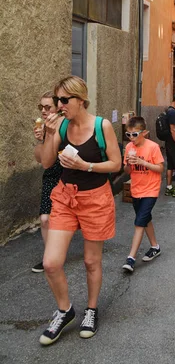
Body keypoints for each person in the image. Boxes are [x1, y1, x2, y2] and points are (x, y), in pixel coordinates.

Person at [39, 76, 121, 345]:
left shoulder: (102, 126)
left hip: (95, 199)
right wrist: (51, 133)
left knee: (90, 261)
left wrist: (84, 165)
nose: (59, 105)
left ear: (80, 100)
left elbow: (115, 164)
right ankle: (65, 310)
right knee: (51, 263)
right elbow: (47, 162)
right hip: (65, 197)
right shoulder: (61, 125)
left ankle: (91, 310)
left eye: (64, 100)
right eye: (57, 100)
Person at [122, 116, 164, 273]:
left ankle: (131, 258)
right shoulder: (128, 148)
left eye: (134, 134)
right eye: (128, 135)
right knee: (145, 219)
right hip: (136, 189)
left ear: (144, 133)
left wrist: (143, 163)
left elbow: (160, 168)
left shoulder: (153, 147)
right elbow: (126, 171)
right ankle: (155, 246)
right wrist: (128, 164)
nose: (131, 138)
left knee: (139, 221)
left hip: (151, 190)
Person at [32, 91, 63, 273]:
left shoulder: (65, 125)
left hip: (68, 175)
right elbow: (40, 160)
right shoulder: (42, 127)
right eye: (41, 107)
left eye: (47, 107)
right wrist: (40, 141)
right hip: (51, 175)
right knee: (45, 219)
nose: (43, 110)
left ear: (57, 108)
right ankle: (49, 257)